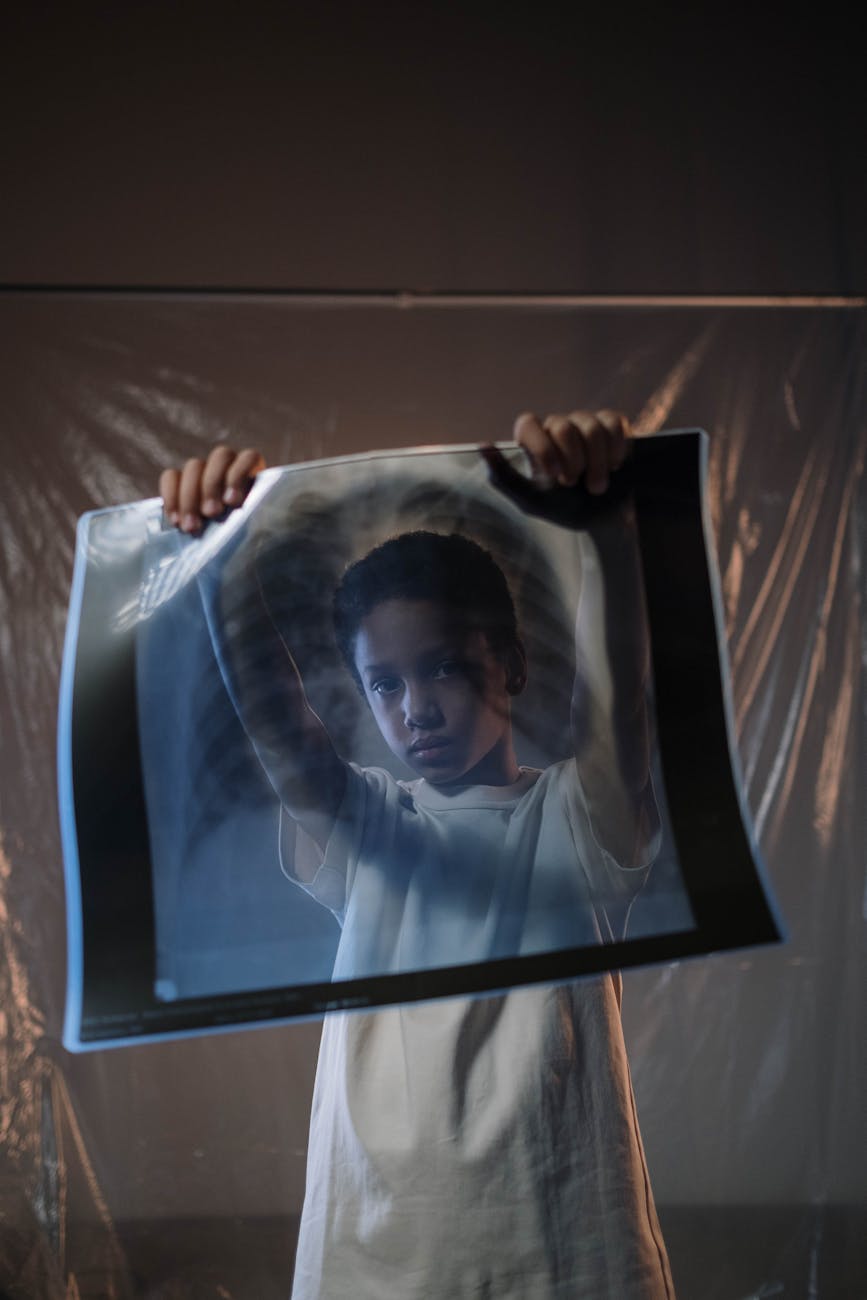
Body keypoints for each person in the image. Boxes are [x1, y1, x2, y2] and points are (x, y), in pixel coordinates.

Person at [159, 410, 676, 1299]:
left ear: (511, 666)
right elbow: (278, 724)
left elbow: (614, 705)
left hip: (568, 1263)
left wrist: (608, 532)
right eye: (385, 683)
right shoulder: (370, 822)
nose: (416, 709)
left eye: (442, 668)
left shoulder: (573, 817)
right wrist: (219, 555)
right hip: (375, 1262)